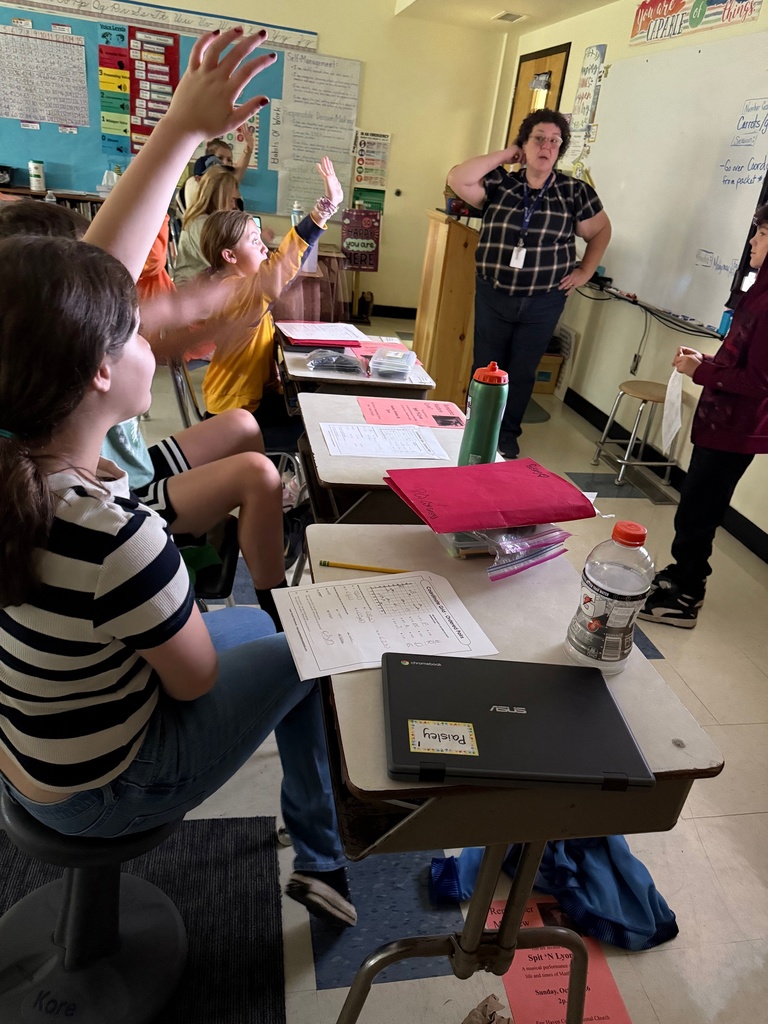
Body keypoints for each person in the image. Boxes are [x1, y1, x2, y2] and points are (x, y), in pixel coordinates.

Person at [0, 27, 355, 927]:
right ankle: (324, 852)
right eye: (128, 332)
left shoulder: (26, 463)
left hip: (33, 760)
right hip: (105, 788)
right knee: (313, 644)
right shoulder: (118, 536)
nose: (146, 338)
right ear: (91, 369)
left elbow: (92, 287)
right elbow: (190, 681)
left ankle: (320, 851)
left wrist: (178, 134)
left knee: (254, 624)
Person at [0, 195, 293, 628]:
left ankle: (241, 522)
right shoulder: (69, 370)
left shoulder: (66, 354)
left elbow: (162, 338)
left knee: (241, 424)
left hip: (131, 470)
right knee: (259, 473)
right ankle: (277, 605)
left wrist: (205, 316)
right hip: (124, 495)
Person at [447, 108, 611, 459]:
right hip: (495, 293)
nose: (547, 146)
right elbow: (458, 179)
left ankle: (506, 438)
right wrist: (507, 154)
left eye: (555, 141)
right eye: (539, 138)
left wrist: (584, 271)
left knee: (521, 371)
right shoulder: (501, 183)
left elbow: (600, 231)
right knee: (486, 365)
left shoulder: (573, 192)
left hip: (544, 300)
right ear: (525, 142)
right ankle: (474, 428)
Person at [639, 205, 768, 629]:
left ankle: (687, 594)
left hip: (736, 428)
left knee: (699, 512)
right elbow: (742, 359)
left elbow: (759, 382)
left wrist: (702, 372)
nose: (753, 241)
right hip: (720, 422)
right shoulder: (759, 289)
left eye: (762, 233)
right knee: (694, 505)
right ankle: (680, 576)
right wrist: (707, 360)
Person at [199, 156, 343, 417]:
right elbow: (279, 267)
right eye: (254, 241)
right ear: (229, 256)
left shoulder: (234, 285)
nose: (265, 248)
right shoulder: (237, 291)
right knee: (321, 420)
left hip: (243, 398)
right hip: (237, 410)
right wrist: (324, 209)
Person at [174, 164, 240, 286]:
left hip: (204, 285)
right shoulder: (200, 224)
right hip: (190, 291)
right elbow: (222, 263)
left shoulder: (209, 221)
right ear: (219, 198)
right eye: (231, 200)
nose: (234, 206)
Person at [177, 127, 254, 215]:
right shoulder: (193, 184)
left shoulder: (223, 184)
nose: (224, 163)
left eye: (229, 160)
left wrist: (248, 150)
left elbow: (236, 175)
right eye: (220, 158)